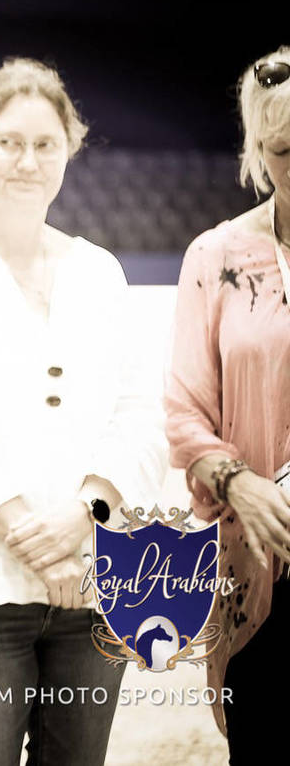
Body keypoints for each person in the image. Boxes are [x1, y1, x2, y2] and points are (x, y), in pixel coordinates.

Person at [0, 58, 167, 765]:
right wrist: (32, 537)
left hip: (92, 586)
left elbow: (139, 412)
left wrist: (84, 517)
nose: (26, 160)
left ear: (70, 149)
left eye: (46, 143)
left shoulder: (100, 271)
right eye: (9, 141)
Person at [165, 47, 290, 758]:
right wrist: (238, 482)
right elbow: (184, 412)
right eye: (282, 149)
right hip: (259, 570)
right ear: (257, 151)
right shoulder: (216, 257)